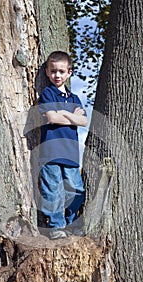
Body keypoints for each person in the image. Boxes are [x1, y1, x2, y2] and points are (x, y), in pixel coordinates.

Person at [38, 51, 87, 240]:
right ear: (47, 73)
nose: (57, 75)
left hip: (71, 153)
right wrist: (71, 116)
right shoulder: (47, 94)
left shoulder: (74, 98)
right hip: (50, 151)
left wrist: (63, 114)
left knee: (77, 191)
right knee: (53, 191)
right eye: (53, 71)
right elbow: (51, 118)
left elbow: (83, 121)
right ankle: (56, 226)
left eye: (61, 71)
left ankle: (72, 222)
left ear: (69, 73)